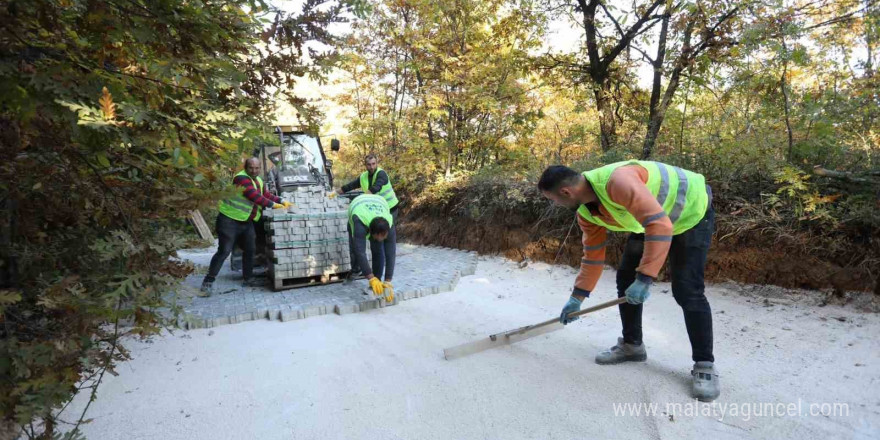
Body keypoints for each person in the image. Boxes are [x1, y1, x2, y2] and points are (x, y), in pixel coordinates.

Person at [537, 160, 719, 401]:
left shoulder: (617, 181)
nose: (557, 205)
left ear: (566, 192)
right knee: (625, 278)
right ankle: (632, 345)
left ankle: (704, 364)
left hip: (690, 213)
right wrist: (577, 297)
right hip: (652, 218)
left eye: (554, 200)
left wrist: (645, 278)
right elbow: (593, 257)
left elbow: (660, 224)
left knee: (687, 289)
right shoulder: (586, 212)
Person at [200, 158, 293, 295]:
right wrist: (274, 205)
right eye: (251, 168)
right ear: (246, 167)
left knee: (250, 250)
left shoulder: (259, 180)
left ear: (260, 168)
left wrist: (281, 200)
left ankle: (248, 279)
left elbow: (265, 194)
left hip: (246, 221)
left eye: (257, 168)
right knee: (224, 251)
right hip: (229, 221)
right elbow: (253, 196)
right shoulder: (241, 179)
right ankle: (208, 281)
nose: (254, 171)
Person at [346, 194, 396, 302]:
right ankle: (356, 269)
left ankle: (376, 285)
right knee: (355, 250)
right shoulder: (359, 223)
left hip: (378, 201)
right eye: (377, 237)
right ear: (371, 232)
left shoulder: (389, 225)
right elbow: (360, 252)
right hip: (358, 205)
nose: (380, 239)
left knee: (378, 250)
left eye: (383, 237)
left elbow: (391, 253)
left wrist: (388, 281)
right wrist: (370, 277)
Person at [334, 154, 399, 225]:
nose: (372, 167)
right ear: (365, 165)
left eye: (373, 164)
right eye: (369, 164)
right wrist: (333, 193)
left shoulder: (381, 174)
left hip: (390, 208)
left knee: (388, 231)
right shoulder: (363, 177)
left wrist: (360, 201)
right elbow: (349, 186)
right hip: (377, 208)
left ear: (377, 163)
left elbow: (375, 188)